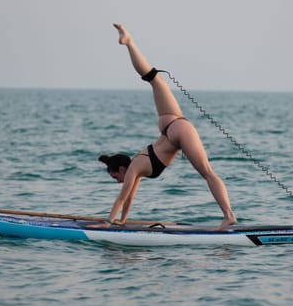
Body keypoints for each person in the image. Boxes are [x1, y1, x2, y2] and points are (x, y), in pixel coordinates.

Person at [89, 24, 237, 230]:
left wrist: (108, 222)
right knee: (153, 79)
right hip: (172, 127)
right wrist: (122, 221)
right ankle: (129, 42)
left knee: (208, 173)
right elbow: (129, 197)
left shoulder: (133, 169)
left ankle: (229, 215)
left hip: (177, 128)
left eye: (115, 176)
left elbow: (122, 198)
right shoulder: (136, 171)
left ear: (122, 169)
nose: (117, 181)